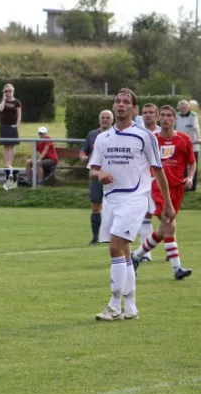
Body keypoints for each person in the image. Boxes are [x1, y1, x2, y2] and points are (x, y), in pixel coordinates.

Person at [88, 88, 174, 321]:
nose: (121, 105)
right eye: (118, 101)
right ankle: (131, 307)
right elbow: (93, 170)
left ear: (134, 109)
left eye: (126, 102)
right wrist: (101, 174)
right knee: (124, 252)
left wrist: (167, 203)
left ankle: (114, 305)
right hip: (111, 199)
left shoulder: (145, 136)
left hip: (135, 199)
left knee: (115, 247)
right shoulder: (103, 138)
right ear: (114, 106)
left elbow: (158, 169)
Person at [130, 105, 195, 280]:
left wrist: (189, 177)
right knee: (169, 224)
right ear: (159, 119)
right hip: (157, 187)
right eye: (163, 116)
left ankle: (135, 257)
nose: (165, 118)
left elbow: (192, 162)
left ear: (175, 119)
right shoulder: (152, 140)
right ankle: (177, 269)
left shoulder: (183, 139)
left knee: (163, 229)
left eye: (169, 116)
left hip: (177, 188)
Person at [80, 110, 114, 245]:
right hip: (95, 175)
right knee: (95, 206)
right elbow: (84, 150)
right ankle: (95, 237)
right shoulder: (92, 134)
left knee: (113, 206)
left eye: (108, 117)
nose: (105, 119)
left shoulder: (117, 135)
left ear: (113, 120)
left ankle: (114, 236)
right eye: (102, 117)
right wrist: (83, 156)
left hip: (112, 176)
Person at [136, 104, 161, 262]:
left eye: (151, 112)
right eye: (145, 112)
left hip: (159, 180)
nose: (147, 115)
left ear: (157, 115)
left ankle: (172, 250)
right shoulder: (137, 133)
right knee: (145, 217)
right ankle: (145, 254)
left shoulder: (161, 133)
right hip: (143, 180)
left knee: (166, 217)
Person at [0, 83, 22, 188]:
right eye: (6, 91)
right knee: (6, 145)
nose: (8, 93)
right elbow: (0, 109)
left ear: (13, 91)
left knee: (11, 146)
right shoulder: (4, 101)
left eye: (10, 91)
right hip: (4, 126)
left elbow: (19, 115)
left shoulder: (17, 102)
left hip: (12, 126)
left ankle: (9, 163)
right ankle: (7, 164)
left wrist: (17, 126)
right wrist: (3, 99)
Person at [176, 100, 199, 191]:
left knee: (192, 165)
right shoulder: (177, 116)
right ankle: (183, 184)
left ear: (188, 107)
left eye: (185, 107)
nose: (183, 109)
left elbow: (196, 127)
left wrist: (198, 137)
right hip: (180, 144)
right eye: (181, 108)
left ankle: (192, 186)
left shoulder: (193, 115)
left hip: (193, 144)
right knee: (181, 165)